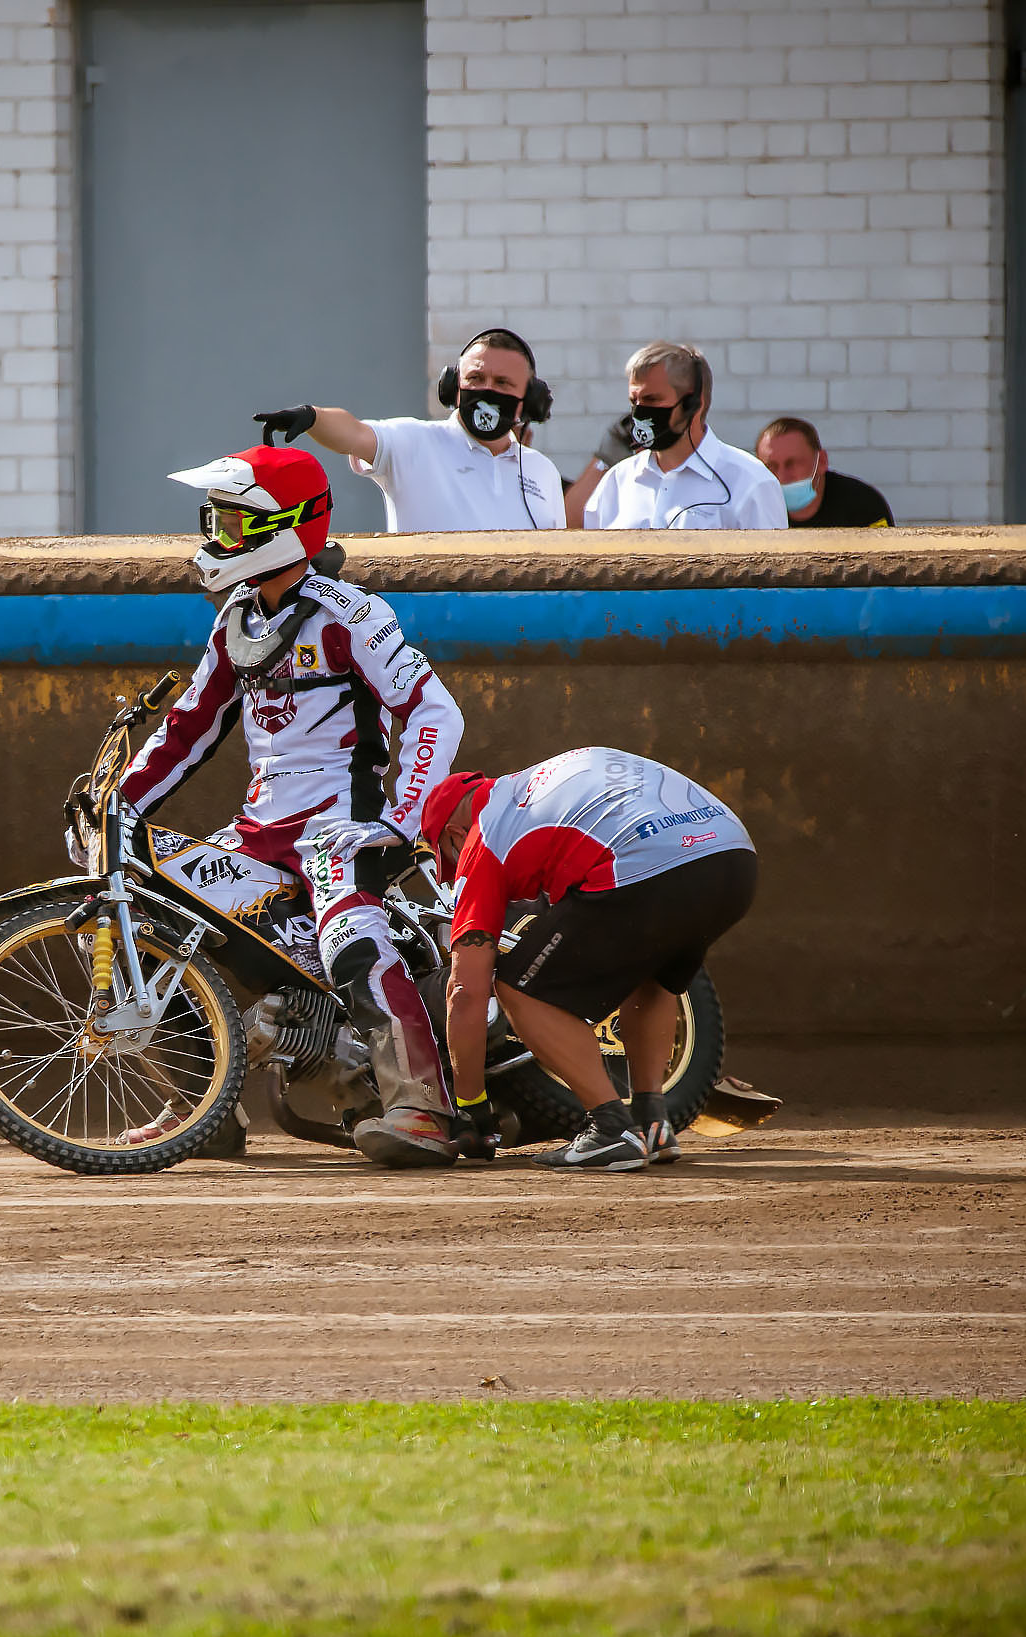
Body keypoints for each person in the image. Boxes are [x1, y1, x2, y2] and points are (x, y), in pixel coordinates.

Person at [116, 444, 470, 1165]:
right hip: (255, 836)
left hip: (340, 832)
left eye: (234, 521)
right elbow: (185, 730)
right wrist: (113, 808)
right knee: (146, 920)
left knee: (355, 940)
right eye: (213, 518)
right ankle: (201, 1110)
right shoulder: (234, 621)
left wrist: (400, 821)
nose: (216, 535)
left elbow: (435, 712)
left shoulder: (351, 613)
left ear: (288, 525)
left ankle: (422, 1109)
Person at [423, 750, 757, 1172]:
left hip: (648, 865)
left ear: (455, 834)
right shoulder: (540, 784)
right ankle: (652, 1121)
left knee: (518, 989)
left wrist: (471, 1105)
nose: (455, 874)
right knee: (652, 976)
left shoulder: (484, 836)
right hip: (732, 856)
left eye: (448, 862)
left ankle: (609, 1127)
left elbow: (466, 992)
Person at [252, 329, 565, 533]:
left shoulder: (542, 470)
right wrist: (312, 417)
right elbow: (356, 433)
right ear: (453, 387)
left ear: (530, 403)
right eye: (476, 378)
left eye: (502, 383)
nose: (486, 390)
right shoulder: (414, 442)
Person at [586, 342, 787, 530]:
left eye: (651, 399)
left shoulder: (752, 482)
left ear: (693, 404)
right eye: (634, 401)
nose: (639, 411)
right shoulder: (617, 482)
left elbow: (773, 566)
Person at [753, 417, 895, 528]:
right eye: (771, 466)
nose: (782, 477)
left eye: (792, 464)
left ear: (821, 462)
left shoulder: (863, 504)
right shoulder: (751, 510)